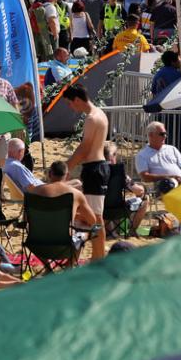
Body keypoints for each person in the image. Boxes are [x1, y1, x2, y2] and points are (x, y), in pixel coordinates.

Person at [62, 84, 109, 259]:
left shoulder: (91, 118)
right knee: (94, 217)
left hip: (95, 168)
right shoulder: (99, 113)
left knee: (95, 218)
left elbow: (84, 149)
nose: (71, 107)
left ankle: (99, 257)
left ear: (77, 100)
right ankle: (98, 256)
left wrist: (67, 167)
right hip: (97, 167)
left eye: (70, 103)